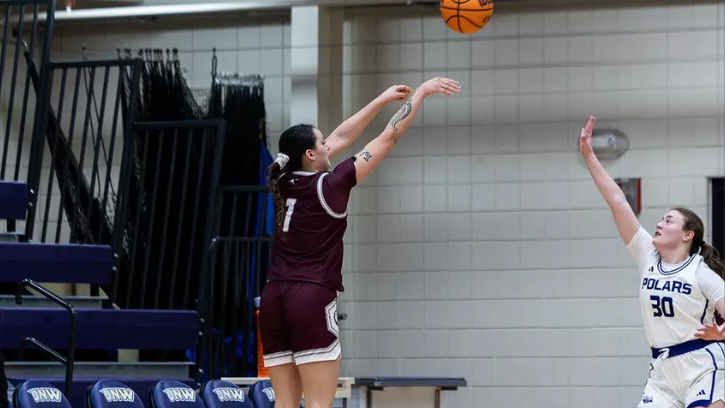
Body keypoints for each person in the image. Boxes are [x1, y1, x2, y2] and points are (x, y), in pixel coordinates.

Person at [259, 77, 461, 408]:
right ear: (311, 154)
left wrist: (380, 100)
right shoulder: (332, 185)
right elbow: (389, 137)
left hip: (273, 297)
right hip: (309, 297)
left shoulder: (280, 178)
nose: (329, 145)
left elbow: (340, 136)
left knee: (284, 402)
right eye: (322, 143)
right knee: (320, 403)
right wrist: (422, 93)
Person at [579, 115, 725, 408]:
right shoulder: (647, 254)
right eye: (660, 219)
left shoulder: (702, 273)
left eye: (668, 220)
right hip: (662, 369)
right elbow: (618, 200)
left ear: (687, 235)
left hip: (702, 364)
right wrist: (589, 155)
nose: (659, 223)